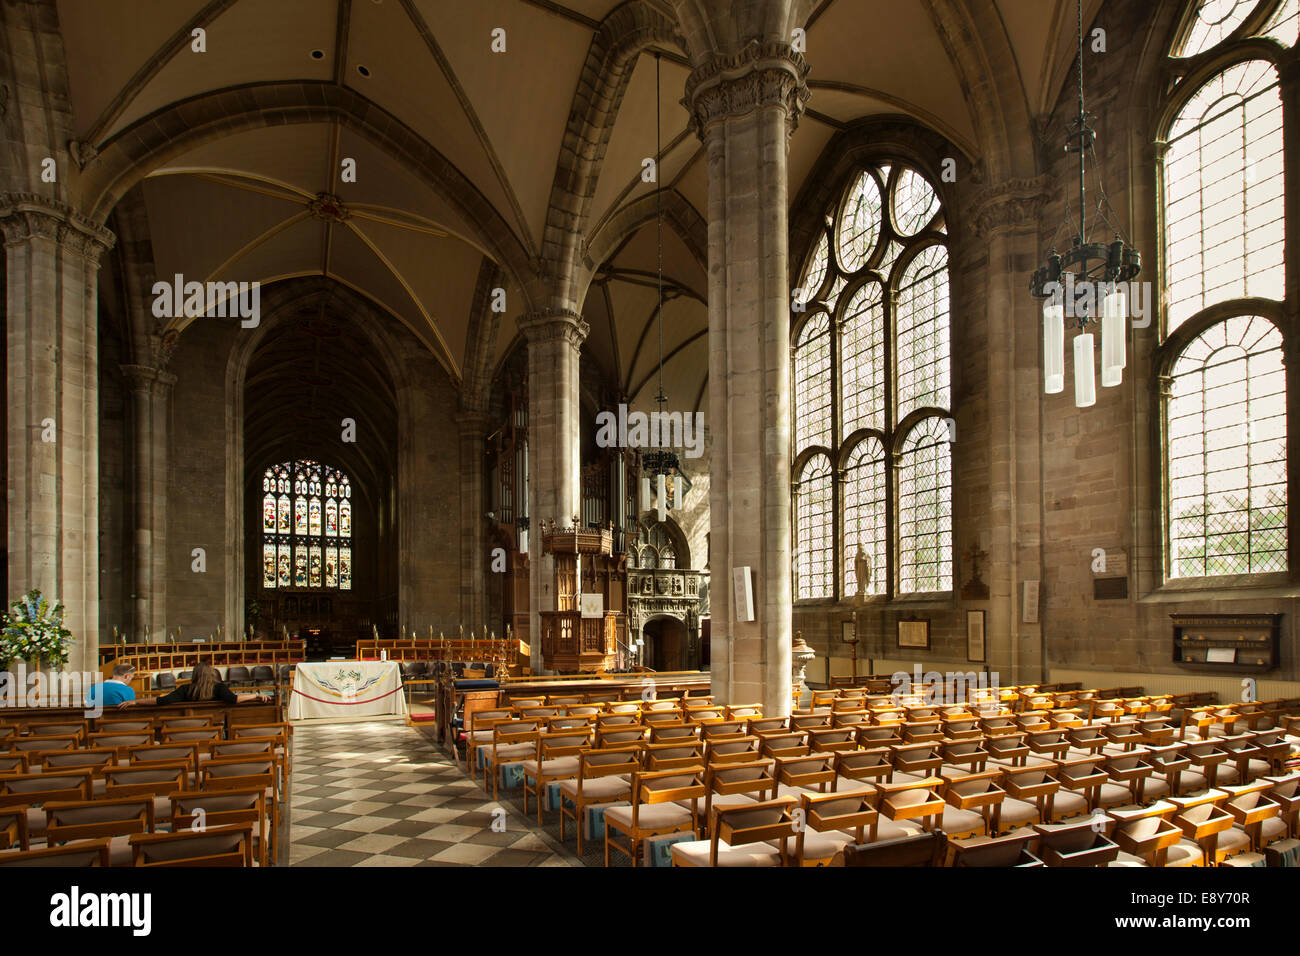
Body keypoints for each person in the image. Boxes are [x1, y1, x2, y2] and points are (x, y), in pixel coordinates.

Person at [123, 661, 271, 706]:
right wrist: (255, 695)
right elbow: (234, 699)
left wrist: (136, 702)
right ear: (211, 674)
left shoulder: (186, 689)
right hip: (214, 728)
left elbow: (162, 700)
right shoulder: (218, 688)